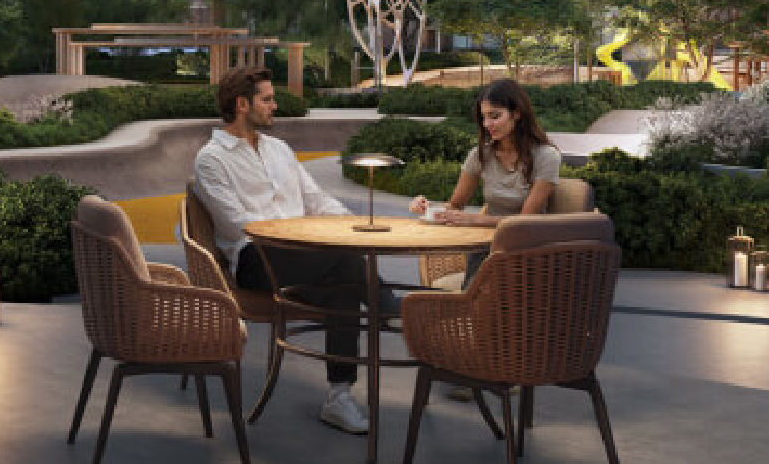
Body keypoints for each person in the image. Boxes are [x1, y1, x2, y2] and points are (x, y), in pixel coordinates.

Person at [193, 66, 384, 436]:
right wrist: (304, 237)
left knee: (345, 279)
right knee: (345, 264)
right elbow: (238, 225)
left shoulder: (278, 149)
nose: (275, 106)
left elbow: (315, 199)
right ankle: (390, 306)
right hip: (255, 260)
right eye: (268, 99)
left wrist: (354, 225)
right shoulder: (212, 159)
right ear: (242, 104)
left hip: (307, 260)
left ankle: (339, 395)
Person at [409, 77, 560, 274]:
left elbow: (524, 221)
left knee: (480, 290)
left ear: (517, 113)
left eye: (495, 116)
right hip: (486, 245)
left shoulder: (546, 156)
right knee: (474, 290)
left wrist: (473, 220)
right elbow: (455, 205)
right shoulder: (480, 155)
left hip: (526, 251)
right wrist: (428, 207)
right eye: (484, 117)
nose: (488, 124)